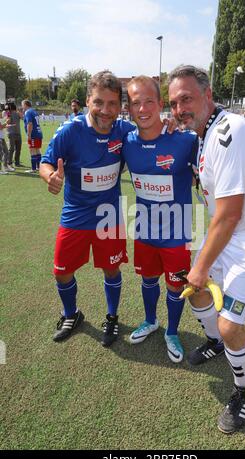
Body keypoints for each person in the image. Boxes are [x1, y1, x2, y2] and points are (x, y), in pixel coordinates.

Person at [168, 65, 245, 433]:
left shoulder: (230, 130)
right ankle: (216, 343)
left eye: (186, 98)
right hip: (226, 231)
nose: (179, 108)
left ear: (208, 94)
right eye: (174, 103)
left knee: (230, 322)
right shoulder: (204, 132)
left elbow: (231, 213)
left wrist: (201, 265)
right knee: (196, 295)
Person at [39, 70, 135, 346]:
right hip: (76, 214)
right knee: (61, 270)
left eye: (112, 104)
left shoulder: (124, 130)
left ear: (120, 106)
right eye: (99, 103)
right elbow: (46, 162)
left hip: (110, 217)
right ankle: (71, 314)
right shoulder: (70, 131)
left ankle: (112, 318)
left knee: (112, 269)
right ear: (87, 101)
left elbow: (152, 134)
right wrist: (50, 177)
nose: (105, 111)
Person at [122, 76, 198, 363]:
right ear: (129, 108)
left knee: (175, 285)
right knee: (148, 279)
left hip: (177, 232)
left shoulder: (185, 140)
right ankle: (151, 320)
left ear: (160, 104)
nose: (142, 109)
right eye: (135, 103)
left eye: (149, 101)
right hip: (144, 230)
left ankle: (173, 331)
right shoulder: (125, 140)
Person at [21, 100, 43, 173]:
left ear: (26, 105)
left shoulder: (28, 112)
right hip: (39, 133)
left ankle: (33, 168)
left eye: (22, 105)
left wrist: (29, 135)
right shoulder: (34, 111)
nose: (22, 107)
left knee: (32, 150)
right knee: (37, 150)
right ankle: (38, 167)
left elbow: (30, 123)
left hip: (33, 134)